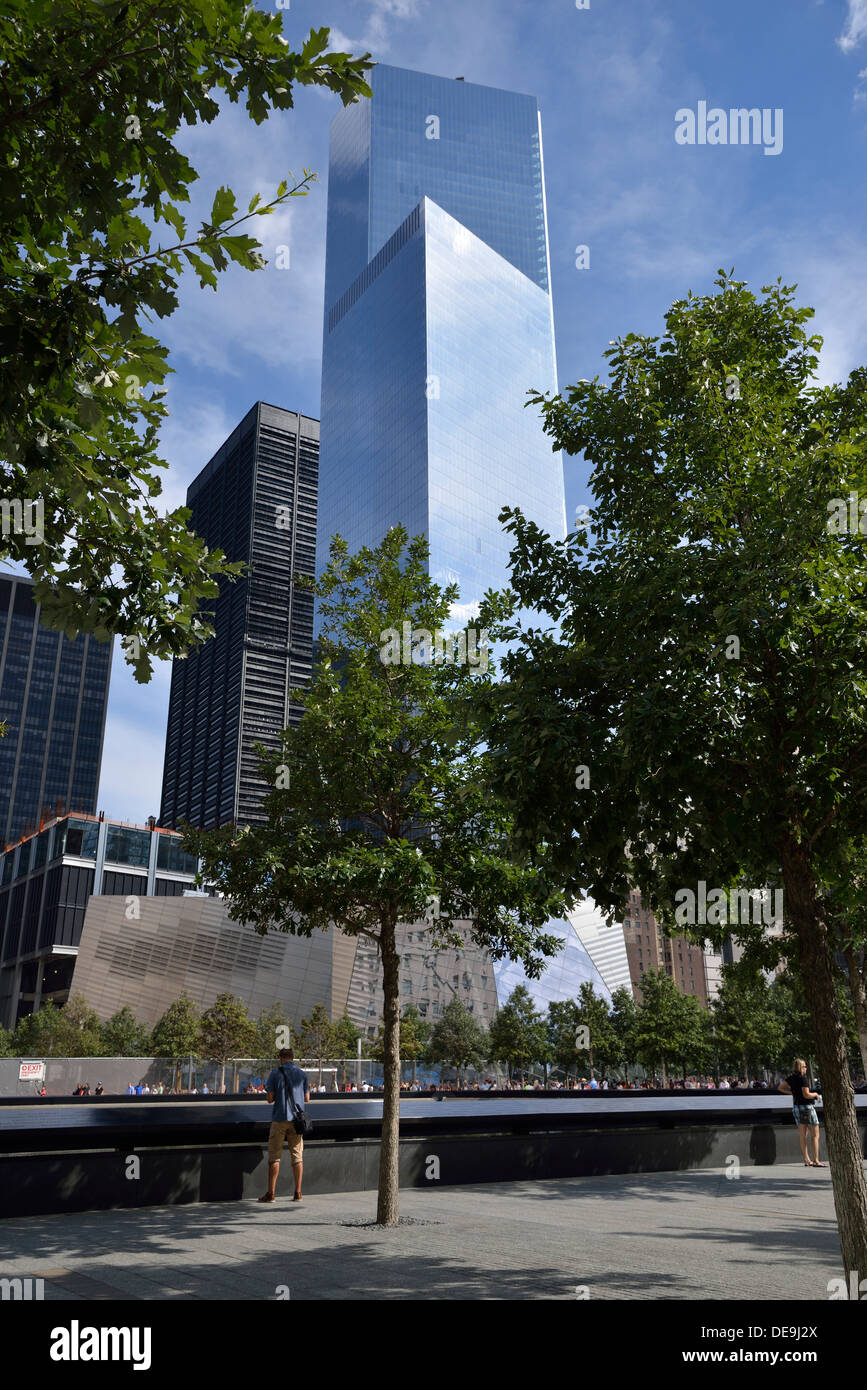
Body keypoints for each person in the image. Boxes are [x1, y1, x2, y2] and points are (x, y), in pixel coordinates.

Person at [259, 1048, 310, 1204]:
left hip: (280, 1118)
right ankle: (298, 1192)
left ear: (281, 1058)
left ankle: (271, 1194)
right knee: (297, 1157)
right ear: (293, 1058)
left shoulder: (275, 1074)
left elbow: (269, 1099)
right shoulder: (302, 1074)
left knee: (274, 1157)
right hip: (297, 1121)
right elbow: (307, 1098)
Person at [778, 1058, 825, 1167]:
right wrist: (816, 1095)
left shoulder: (791, 1078)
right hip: (806, 1108)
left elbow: (780, 1088)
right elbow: (806, 1095)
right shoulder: (803, 1079)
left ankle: (807, 1159)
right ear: (800, 1068)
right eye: (804, 1066)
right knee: (815, 1134)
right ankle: (816, 1160)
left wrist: (792, 1093)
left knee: (802, 1135)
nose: (806, 1068)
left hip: (796, 1107)